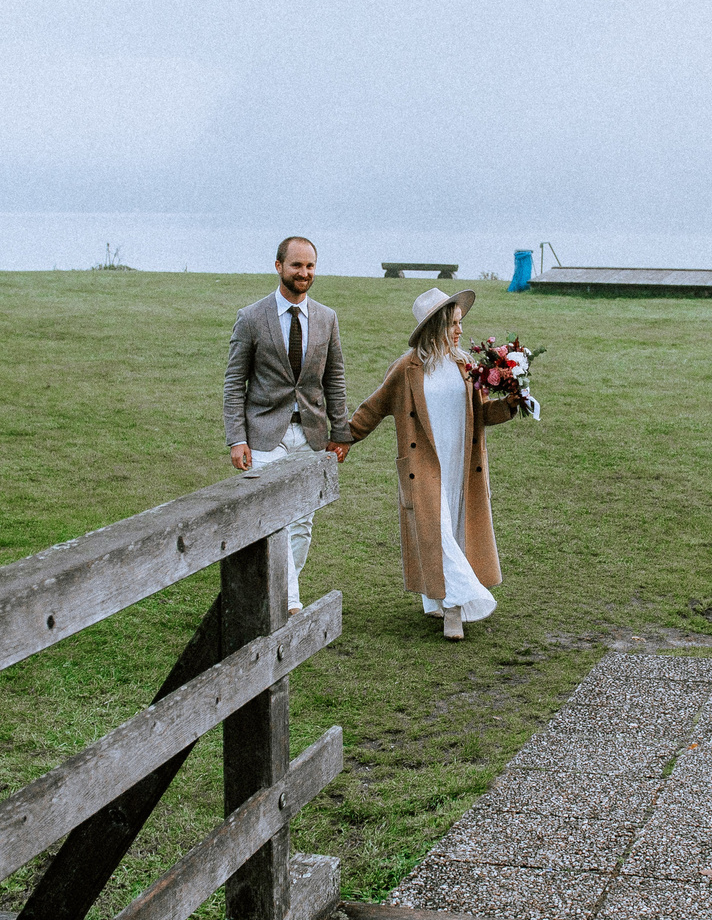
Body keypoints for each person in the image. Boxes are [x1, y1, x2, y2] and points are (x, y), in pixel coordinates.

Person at [341, 286, 521, 640]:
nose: (460, 330)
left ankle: (440, 600)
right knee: (434, 529)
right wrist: (342, 439)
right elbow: (372, 409)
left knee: (454, 527)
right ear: (436, 326)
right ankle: (457, 607)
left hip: (462, 462)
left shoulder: (465, 365)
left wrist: (512, 403)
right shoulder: (406, 369)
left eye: (460, 322)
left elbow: (482, 413)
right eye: (453, 323)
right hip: (422, 464)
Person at [222, 235, 351, 612]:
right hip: (263, 434)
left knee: (301, 525)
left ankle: (274, 594)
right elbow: (234, 383)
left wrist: (340, 433)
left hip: (311, 435)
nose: (304, 273)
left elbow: (335, 378)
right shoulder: (251, 318)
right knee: (271, 520)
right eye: (296, 265)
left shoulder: (327, 319)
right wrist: (236, 438)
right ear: (278, 266)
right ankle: (290, 603)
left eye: (310, 266)